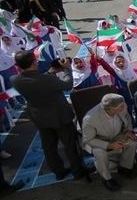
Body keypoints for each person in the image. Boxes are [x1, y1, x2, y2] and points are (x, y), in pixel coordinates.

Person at [11, 51, 89, 181]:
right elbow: (67, 85)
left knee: (49, 147)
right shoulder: (47, 79)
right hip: (60, 116)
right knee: (69, 145)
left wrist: (50, 72)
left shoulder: (15, 80)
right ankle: (78, 171)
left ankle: (58, 172)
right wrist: (67, 69)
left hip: (39, 118)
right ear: (34, 62)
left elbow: (36, 83)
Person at [82, 94, 137, 191]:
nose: (124, 107)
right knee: (99, 153)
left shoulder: (121, 106)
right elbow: (88, 139)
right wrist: (109, 145)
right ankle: (107, 178)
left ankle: (124, 167)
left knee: (132, 142)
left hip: (117, 134)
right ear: (110, 109)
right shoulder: (90, 119)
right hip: (98, 141)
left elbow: (127, 117)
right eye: (121, 107)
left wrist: (128, 131)